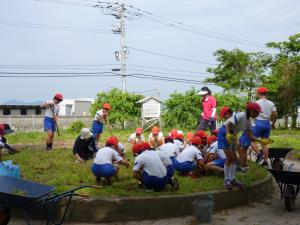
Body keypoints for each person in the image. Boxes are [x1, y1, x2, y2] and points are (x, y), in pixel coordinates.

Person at [219, 103, 262, 190]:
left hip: (233, 134)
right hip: (224, 133)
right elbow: (228, 125)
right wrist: (227, 134)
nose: (258, 114)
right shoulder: (240, 115)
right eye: (257, 112)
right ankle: (226, 180)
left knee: (234, 158)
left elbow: (250, 136)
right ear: (251, 111)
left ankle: (232, 179)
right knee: (229, 158)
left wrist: (261, 141)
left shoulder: (249, 122)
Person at [251, 87, 277, 167]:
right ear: (266, 94)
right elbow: (275, 114)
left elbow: (251, 114)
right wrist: (273, 123)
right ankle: (265, 162)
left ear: (258, 94)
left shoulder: (256, 103)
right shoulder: (271, 103)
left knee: (251, 140)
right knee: (264, 143)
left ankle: (259, 154)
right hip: (267, 124)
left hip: (258, 123)